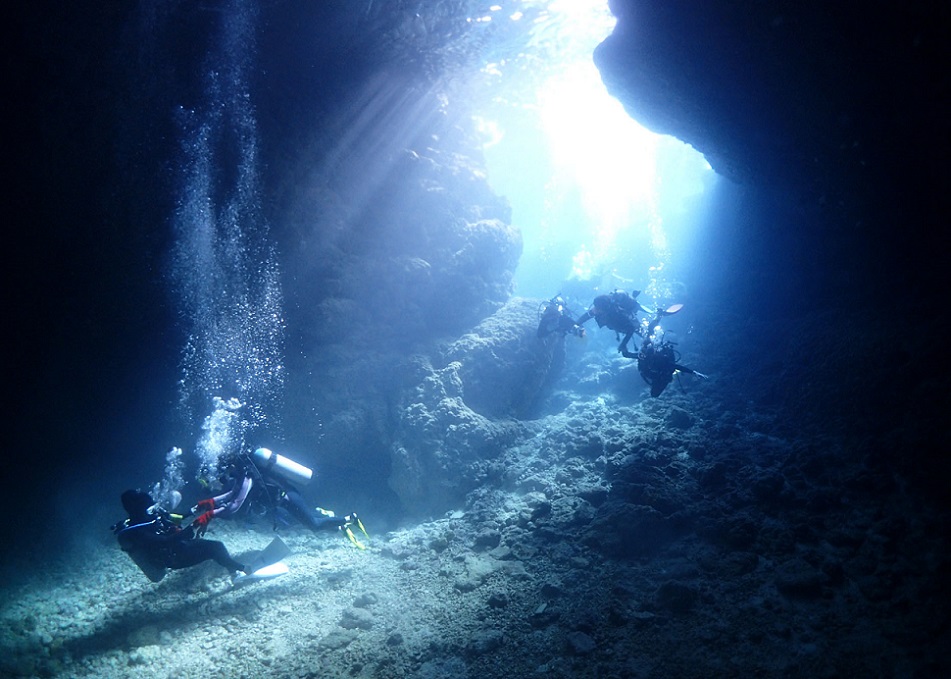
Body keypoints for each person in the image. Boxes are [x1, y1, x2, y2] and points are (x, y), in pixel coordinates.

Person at [202, 448, 368, 548]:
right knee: (296, 523)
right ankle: (332, 520)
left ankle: (350, 518)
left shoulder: (247, 475)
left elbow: (235, 504)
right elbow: (233, 495)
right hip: (285, 501)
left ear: (231, 466)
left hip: (289, 498)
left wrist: (210, 514)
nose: (227, 476)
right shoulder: (247, 472)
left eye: (227, 471)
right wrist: (210, 504)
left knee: (314, 526)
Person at [112, 489, 248, 583]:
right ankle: (242, 571)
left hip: (178, 548)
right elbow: (165, 541)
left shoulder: (149, 515)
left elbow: (178, 517)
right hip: (173, 559)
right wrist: (195, 525)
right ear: (135, 505)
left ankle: (235, 572)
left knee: (216, 547)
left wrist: (198, 508)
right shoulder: (136, 531)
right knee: (215, 548)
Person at [637, 310, 708, 397]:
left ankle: (658, 317)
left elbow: (675, 366)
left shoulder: (662, 357)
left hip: (662, 374)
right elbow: (633, 355)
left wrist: (693, 372)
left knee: (655, 394)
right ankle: (658, 317)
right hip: (657, 374)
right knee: (648, 336)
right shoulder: (648, 354)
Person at [575, 289, 653, 358]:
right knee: (626, 354)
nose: (594, 310)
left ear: (604, 310)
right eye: (595, 307)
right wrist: (576, 324)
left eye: (597, 308)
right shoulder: (601, 308)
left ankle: (651, 349)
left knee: (646, 336)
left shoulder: (616, 315)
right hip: (620, 325)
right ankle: (644, 354)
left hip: (629, 323)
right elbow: (586, 316)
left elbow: (631, 328)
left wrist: (623, 344)